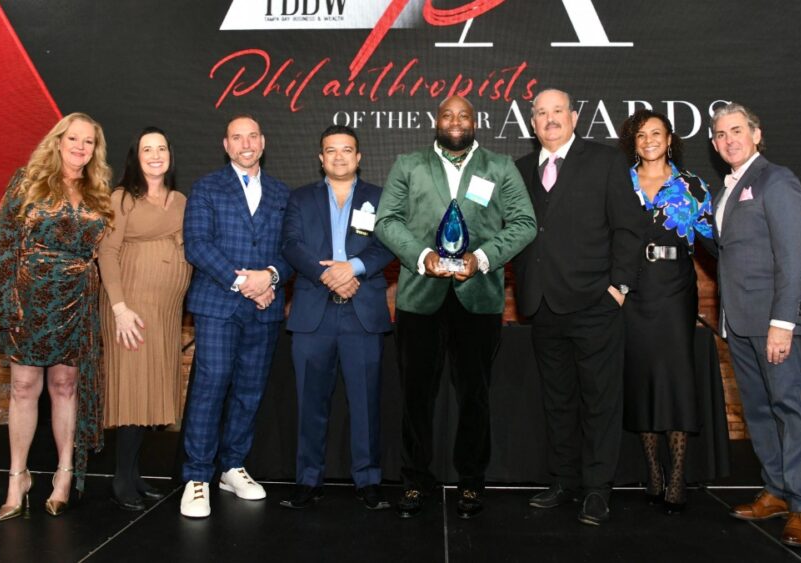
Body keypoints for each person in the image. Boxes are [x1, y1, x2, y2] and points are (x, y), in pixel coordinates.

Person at [376, 95, 536, 520]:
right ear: (437, 120)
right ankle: (414, 481)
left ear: (475, 121)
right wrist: (420, 255)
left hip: (478, 296)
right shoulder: (408, 164)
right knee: (416, 396)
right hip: (419, 296)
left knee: (475, 396)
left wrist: (481, 259)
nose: (455, 121)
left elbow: (525, 223)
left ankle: (470, 482)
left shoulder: (500, 168)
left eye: (463, 115)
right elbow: (386, 220)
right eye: (448, 114)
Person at [513, 88, 646, 526]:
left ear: (574, 117)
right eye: (541, 113)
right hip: (542, 304)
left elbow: (629, 227)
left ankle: (596, 489)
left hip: (595, 303)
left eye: (557, 111)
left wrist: (619, 287)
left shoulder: (606, 161)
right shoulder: (519, 170)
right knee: (558, 400)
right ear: (532, 123)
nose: (550, 119)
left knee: (599, 401)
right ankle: (564, 480)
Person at [0, 112, 113, 521]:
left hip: (76, 299)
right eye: (73, 138)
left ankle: (63, 475)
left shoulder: (99, 191)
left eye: (88, 142)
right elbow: (4, 244)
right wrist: (5, 305)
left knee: (65, 386)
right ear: (57, 141)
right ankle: (17, 478)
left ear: (96, 150)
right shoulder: (27, 181)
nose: (80, 147)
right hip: (30, 297)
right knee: (23, 387)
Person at [710, 102, 801, 547]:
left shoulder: (777, 180)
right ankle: (775, 491)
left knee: (790, 411)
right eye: (720, 134)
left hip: (772, 322)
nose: (728, 139)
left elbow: (793, 258)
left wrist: (782, 322)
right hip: (737, 322)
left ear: (756, 134)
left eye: (736, 130)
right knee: (757, 411)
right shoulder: (728, 188)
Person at [179, 113, 292, 518]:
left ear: (263, 142)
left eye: (252, 137)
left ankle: (232, 466)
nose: (246, 144)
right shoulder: (206, 188)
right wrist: (245, 283)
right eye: (237, 138)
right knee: (211, 387)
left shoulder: (282, 193)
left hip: (264, 309)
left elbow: (291, 249)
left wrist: (271, 278)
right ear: (226, 145)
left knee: (249, 390)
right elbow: (197, 245)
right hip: (219, 306)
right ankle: (196, 476)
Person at [280, 125, 395, 510]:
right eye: (331, 150)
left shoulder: (381, 198)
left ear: (359, 157)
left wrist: (355, 267)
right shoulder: (300, 199)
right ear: (321, 158)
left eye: (347, 150)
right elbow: (292, 245)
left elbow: (388, 245)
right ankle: (308, 480)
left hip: (362, 313)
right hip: (315, 312)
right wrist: (328, 274)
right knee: (309, 403)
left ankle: (368, 480)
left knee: (365, 403)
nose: (340, 156)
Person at [617, 109, 714, 514]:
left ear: (670, 139)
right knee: (641, 378)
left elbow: (714, 239)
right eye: (641, 135)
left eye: (656, 133)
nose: (649, 141)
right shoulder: (619, 183)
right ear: (633, 143)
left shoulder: (692, 185)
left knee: (675, 379)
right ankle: (652, 473)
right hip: (633, 289)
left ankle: (676, 479)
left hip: (675, 289)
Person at [98, 127, 192, 511]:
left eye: (162, 148)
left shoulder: (181, 200)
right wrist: (119, 308)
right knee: (133, 390)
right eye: (147, 149)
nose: (156, 155)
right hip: (130, 307)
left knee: (151, 389)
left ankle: (135, 474)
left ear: (171, 154)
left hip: (166, 312)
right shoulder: (122, 198)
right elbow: (106, 253)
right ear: (135, 158)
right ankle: (122, 478)